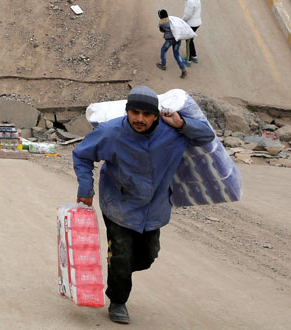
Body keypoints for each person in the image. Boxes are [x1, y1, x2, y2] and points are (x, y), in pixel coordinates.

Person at [73, 86, 215, 324]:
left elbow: (207, 136)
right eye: (134, 112)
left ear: (156, 115)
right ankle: (118, 300)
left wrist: (181, 125)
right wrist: (85, 188)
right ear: (127, 112)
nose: (139, 119)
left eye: (146, 114)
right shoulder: (111, 133)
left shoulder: (173, 134)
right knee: (122, 254)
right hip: (118, 204)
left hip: (154, 208)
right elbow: (82, 155)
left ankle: (120, 267)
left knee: (147, 256)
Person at [157, 9, 187, 77]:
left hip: (169, 40)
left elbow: (162, 30)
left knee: (163, 51)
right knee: (176, 54)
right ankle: (183, 69)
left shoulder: (162, 23)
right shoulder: (172, 20)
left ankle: (163, 65)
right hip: (177, 39)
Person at [181, 0, 202, 64]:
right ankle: (194, 56)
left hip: (191, 24)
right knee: (191, 40)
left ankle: (188, 59)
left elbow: (187, 15)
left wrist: (182, 21)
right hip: (197, 23)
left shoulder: (190, 1)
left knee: (188, 41)